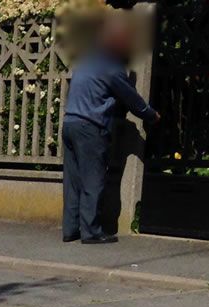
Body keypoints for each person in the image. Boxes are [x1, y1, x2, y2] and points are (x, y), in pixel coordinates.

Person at [61, 12, 159, 244]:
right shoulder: (110, 67)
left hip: (70, 123)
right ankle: (91, 232)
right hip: (90, 127)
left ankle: (70, 229)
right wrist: (151, 115)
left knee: (73, 181)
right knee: (93, 179)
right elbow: (131, 98)